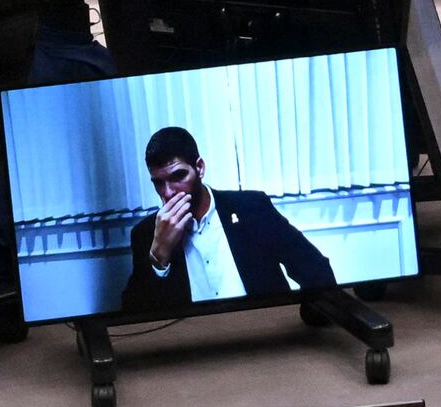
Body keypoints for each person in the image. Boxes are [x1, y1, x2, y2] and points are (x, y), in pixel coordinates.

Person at [111, 120, 338, 319]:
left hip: (264, 331)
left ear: (199, 168)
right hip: (197, 348)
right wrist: (158, 256)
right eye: (159, 182)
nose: (168, 192)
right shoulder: (146, 234)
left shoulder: (252, 208)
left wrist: (309, 319)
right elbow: (133, 317)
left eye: (178, 176)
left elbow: (316, 268)